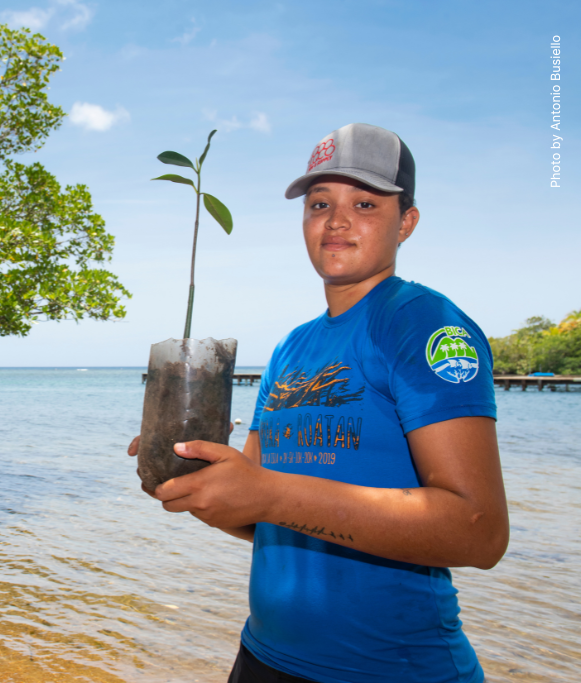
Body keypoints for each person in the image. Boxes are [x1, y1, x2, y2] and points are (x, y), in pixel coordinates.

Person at [128, 123, 509, 683]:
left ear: (407, 223)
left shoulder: (422, 323)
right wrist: (201, 481)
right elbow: (268, 517)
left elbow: (479, 532)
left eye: (364, 203)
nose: (336, 220)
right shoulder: (291, 348)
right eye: (318, 203)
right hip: (263, 657)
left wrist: (268, 492)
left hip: (392, 670)